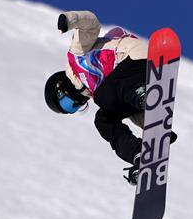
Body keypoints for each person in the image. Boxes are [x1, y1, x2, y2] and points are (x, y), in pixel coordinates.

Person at [45, 10, 172, 185]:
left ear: (62, 87)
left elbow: (91, 25)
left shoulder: (77, 57)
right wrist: (154, 127)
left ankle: (143, 94)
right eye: (72, 109)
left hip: (136, 59)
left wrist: (69, 20)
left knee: (103, 98)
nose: (76, 104)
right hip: (133, 84)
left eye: (67, 103)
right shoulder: (98, 91)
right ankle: (139, 155)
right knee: (103, 120)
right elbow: (129, 108)